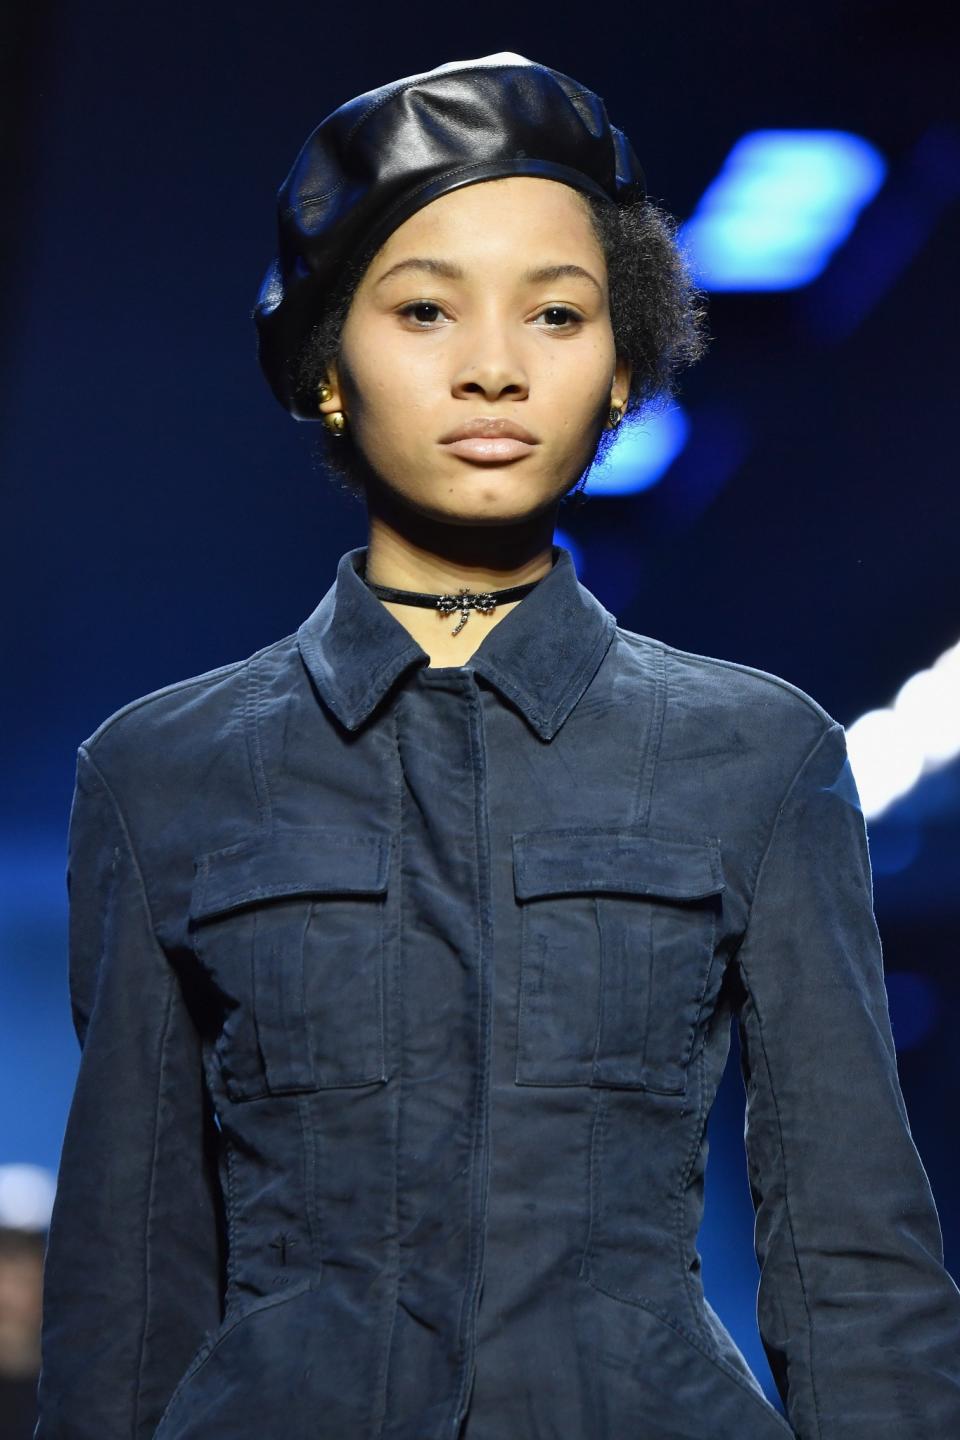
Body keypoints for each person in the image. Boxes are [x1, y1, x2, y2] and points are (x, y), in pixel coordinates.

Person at [34, 52, 960, 1440]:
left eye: (558, 314)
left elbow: (850, 1251)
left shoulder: (758, 756)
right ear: (327, 368)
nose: (492, 368)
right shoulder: (161, 773)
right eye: (421, 309)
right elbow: (126, 1283)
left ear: (622, 368)